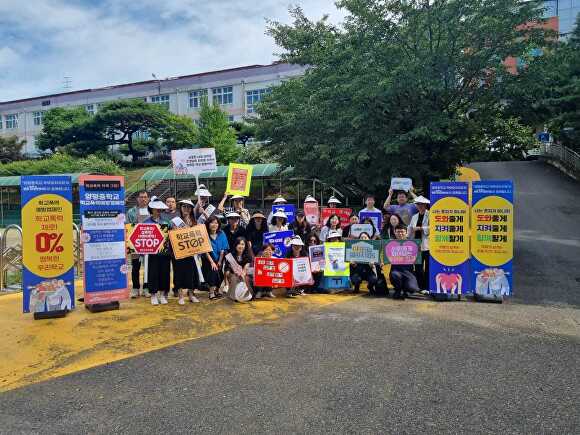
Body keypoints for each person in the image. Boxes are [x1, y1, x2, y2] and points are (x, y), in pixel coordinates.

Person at [171, 200, 202, 305]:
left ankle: (191, 294)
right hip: (179, 252)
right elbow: (173, 235)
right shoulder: (175, 220)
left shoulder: (194, 221)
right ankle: (180, 296)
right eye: (184, 206)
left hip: (191, 252)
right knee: (178, 274)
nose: (186, 209)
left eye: (189, 207)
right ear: (181, 208)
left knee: (191, 274)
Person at [144, 196, 171, 306]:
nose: (158, 211)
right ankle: (153, 295)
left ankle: (163, 294)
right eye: (156, 209)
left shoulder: (166, 221)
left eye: (160, 209)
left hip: (165, 253)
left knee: (165, 273)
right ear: (151, 209)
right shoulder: (146, 222)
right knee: (153, 274)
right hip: (152, 254)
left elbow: (170, 236)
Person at [126, 190, 150, 298]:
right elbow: (127, 226)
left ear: (148, 199)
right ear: (137, 199)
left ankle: (146, 287)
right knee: (135, 267)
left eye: (145, 197)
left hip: (149, 243)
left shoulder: (152, 211)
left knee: (148, 266)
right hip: (135, 243)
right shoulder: (131, 212)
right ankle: (135, 288)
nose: (143, 199)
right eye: (141, 197)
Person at [390, 224, 421, 299]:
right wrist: (382, 262)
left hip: (408, 272)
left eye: (402, 232)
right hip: (396, 271)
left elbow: (417, 258)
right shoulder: (390, 244)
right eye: (398, 232)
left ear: (406, 233)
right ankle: (398, 290)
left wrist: (418, 252)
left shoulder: (412, 244)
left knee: (412, 288)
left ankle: (406, 290)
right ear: (394, 232)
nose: (400, 234)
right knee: (395, 275)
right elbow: (385, 257)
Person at [408, 195, 430, 294]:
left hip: (427, 245)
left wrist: (421, 228)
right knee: (418, 267)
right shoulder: (414, 216)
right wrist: (408, 233)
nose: (420, 206)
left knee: (428, 267)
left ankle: (428, 286)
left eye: (422, 204)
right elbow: (410, 229)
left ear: (425, 205)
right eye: (418, 204)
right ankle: (420, 287)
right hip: (416, 245)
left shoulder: (430, 215)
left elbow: (434, 228)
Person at [203, 215, 229, 300]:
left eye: (216, 223)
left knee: (220, 274)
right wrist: (212, 262)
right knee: (213, 271)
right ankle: (211, 292)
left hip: (219, 257)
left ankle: (217, 290)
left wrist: (220, 261)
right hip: (208, 258)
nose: (214, 224)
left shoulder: (222, 233)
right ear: (208, 224)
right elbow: (205, 250)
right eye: (212, 223)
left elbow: (223, 249)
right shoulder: (205, 234)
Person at [224, 237, 253, 302]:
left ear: (245, 246)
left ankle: (246, 295)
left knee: (246, 278)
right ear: (235, 245)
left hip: (244, 273)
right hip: (233, 274)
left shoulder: (248, 255)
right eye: (239, 244)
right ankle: (234, 296)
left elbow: (246, 268)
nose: (241, 246)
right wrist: (228, 274)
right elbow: (227, 268)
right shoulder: (230, 255)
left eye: (243, 244)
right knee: (234, 278)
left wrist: (242, 274)